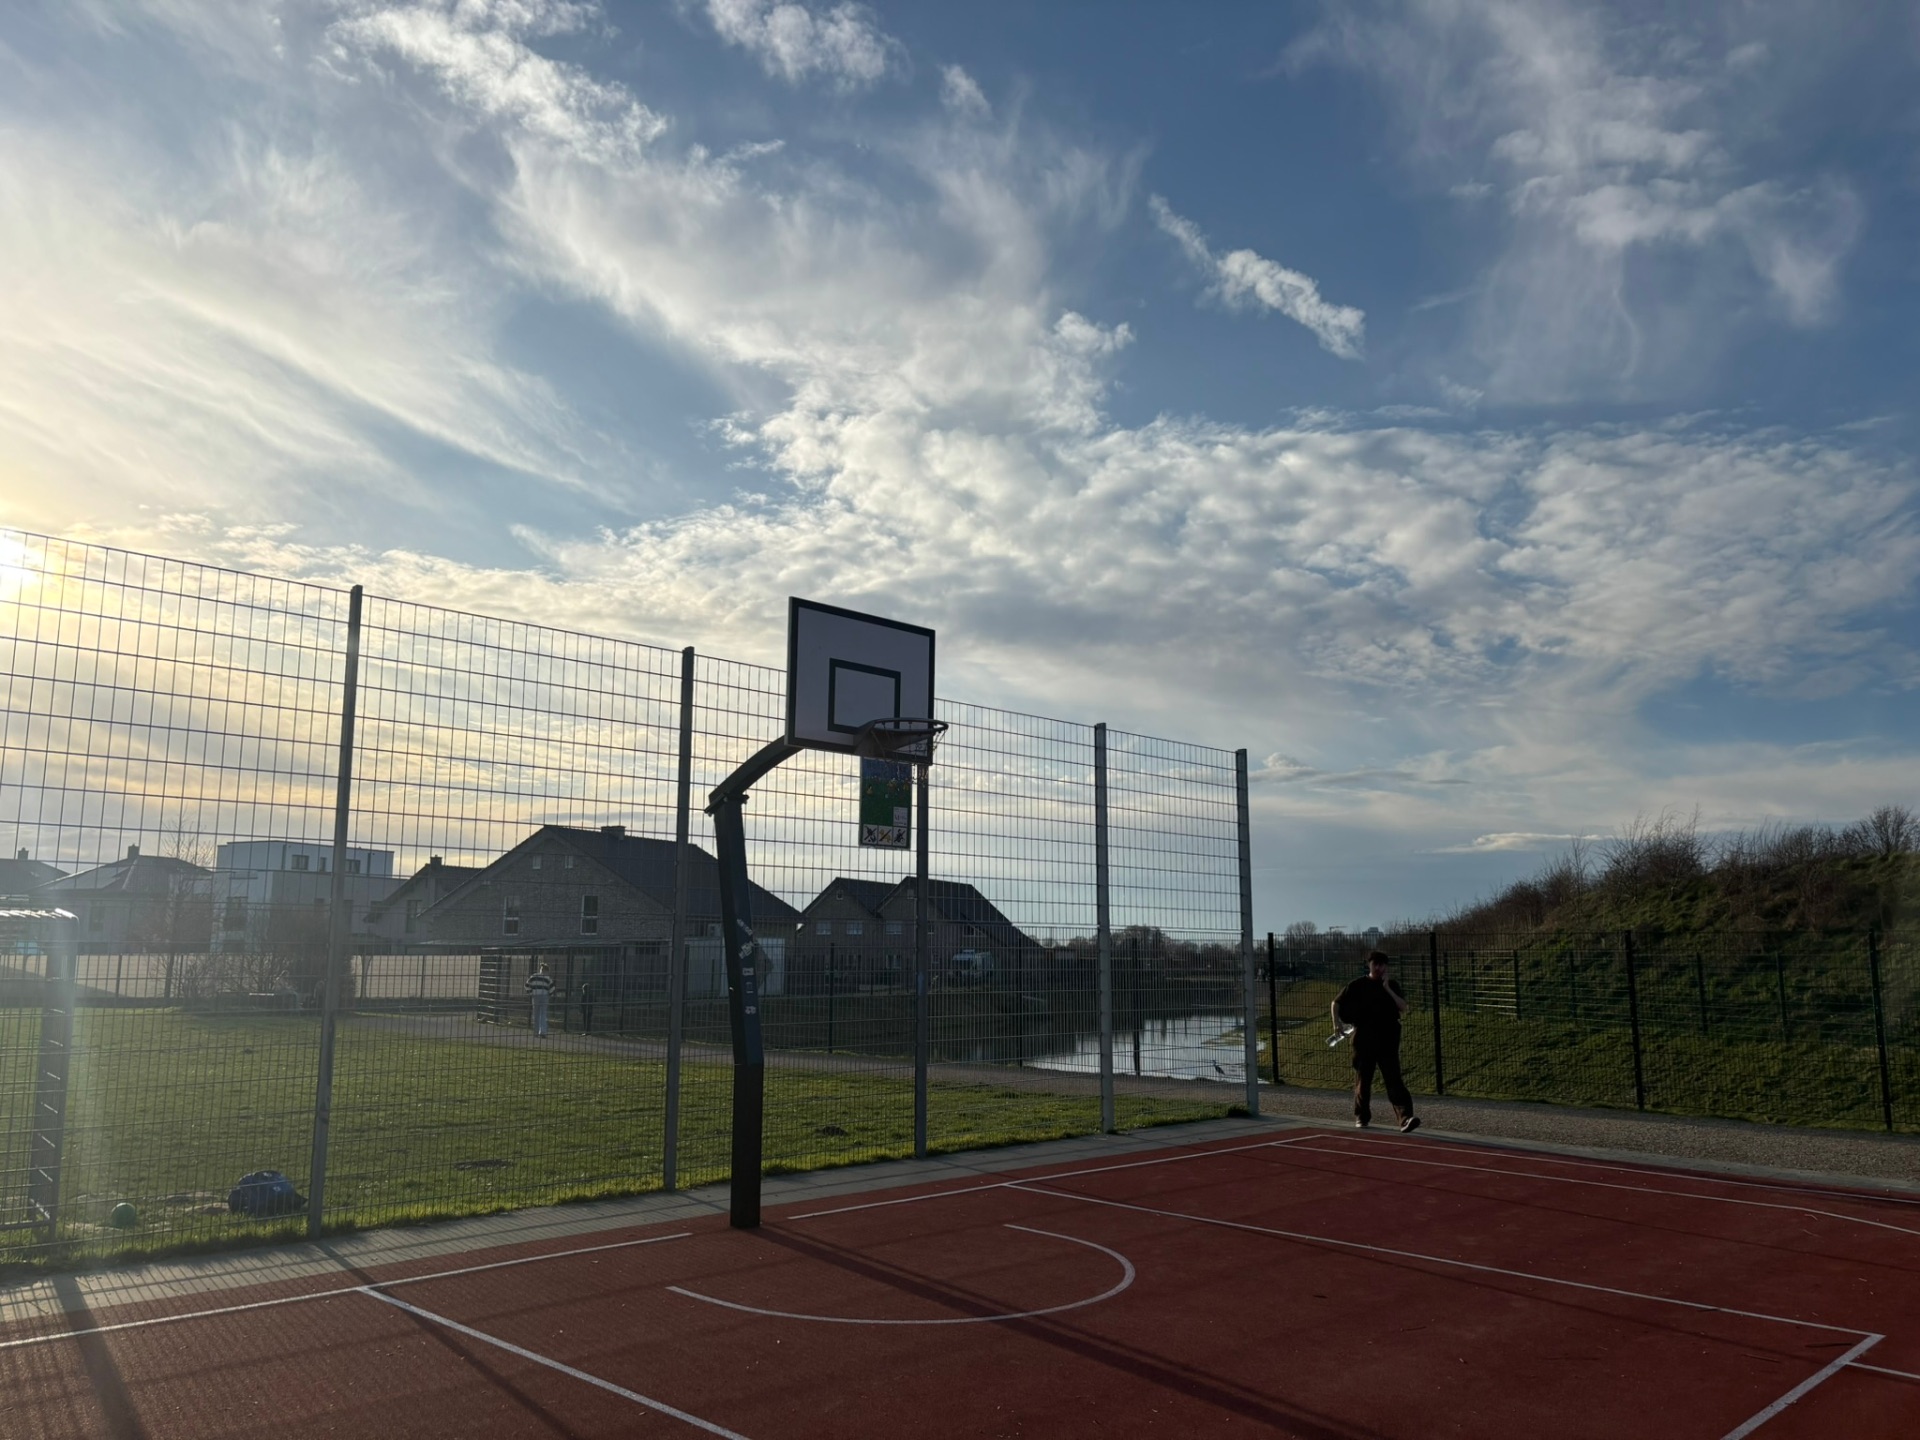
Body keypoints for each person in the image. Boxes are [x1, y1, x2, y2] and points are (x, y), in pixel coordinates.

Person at [1332, 951, 1420, 1133]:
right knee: (1363, 1079)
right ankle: (1361, 1116)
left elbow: (1403, 1007)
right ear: (1369, 965)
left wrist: (1387, 988)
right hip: (1363, 1037)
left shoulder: (1392, 985)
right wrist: (1336, 1023)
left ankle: (1405, 1118)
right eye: (1376, 964)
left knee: (1394, 1078)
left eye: (1382, 965)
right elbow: (1336, 1003)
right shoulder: (1357, 985)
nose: (1379, 968)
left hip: (1387, 1037)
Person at [525, 961, 554, 1037]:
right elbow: (552, 989)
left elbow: (527, 985)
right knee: (543, 1014)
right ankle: (543, 1032)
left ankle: (535, 1032)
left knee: (536, 1014)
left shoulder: (534, 976)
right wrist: (550, 995)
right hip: (544, 996)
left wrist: (530, 993)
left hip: (535, 996)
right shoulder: (548, 978)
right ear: (547, 971)